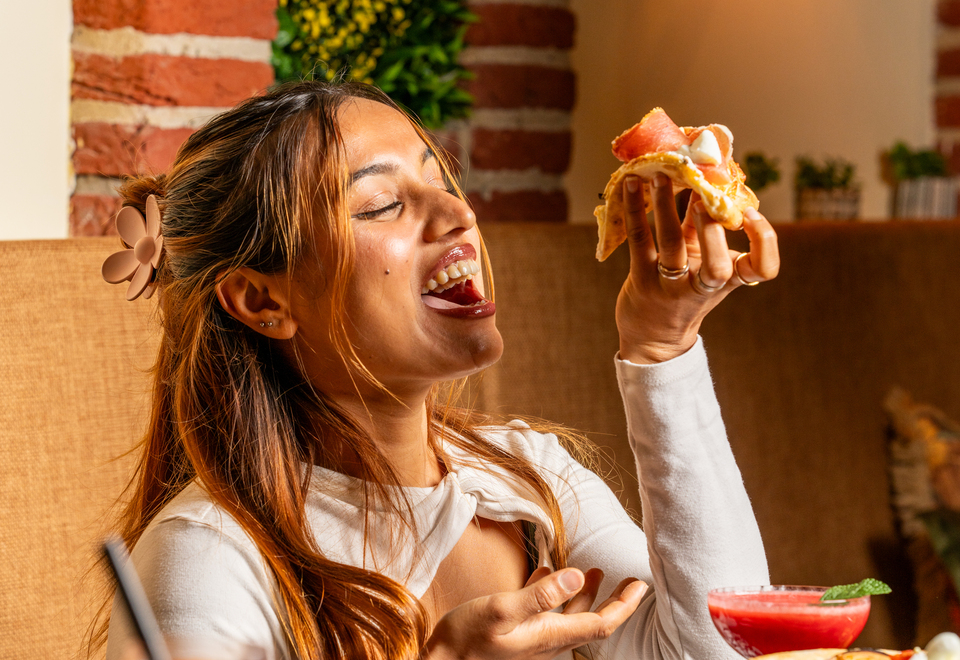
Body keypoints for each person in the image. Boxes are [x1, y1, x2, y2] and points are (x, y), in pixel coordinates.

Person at [95, 80, 779, 660]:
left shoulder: (528, 481)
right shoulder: (208, 558)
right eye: (382, 203)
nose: (458, 214)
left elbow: (729, 648)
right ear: (263, 300)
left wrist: (662, 345)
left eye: (439, 178)